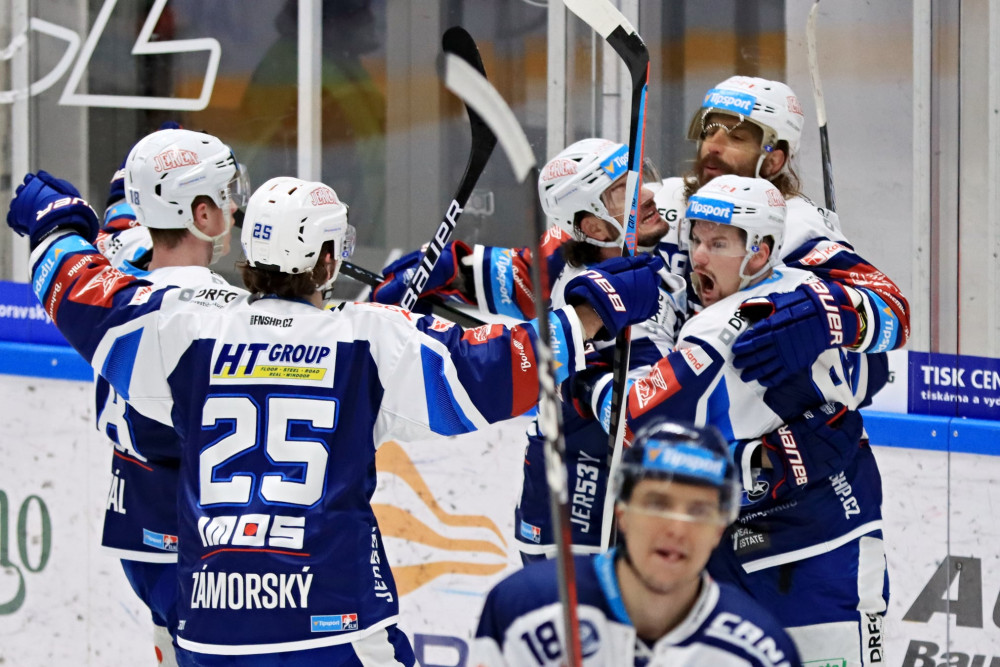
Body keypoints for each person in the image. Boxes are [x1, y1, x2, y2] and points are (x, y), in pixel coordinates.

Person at [6, 169, 663, 663]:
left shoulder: (183, 329)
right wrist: (591, 312)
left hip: (211, 626)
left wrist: (54, 229)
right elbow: (495, 369)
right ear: (327, 260)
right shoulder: (366, 339)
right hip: (330, 620)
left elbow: (79, 293)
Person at [574, 175, 889, 666]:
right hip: (814, 533)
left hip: (816, 556)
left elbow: (635, 420)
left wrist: (593, 375)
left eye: (718, 243)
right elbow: (875, 369)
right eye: (697, 239)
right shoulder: (815, 290)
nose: (699, 256)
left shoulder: (717, 327)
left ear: (760, 251)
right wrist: (763, 457)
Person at [374, 138, 686, 561]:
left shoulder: (629, 236)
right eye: (623, 191)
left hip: (645, 498)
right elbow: (640, 415)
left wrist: (455, 269)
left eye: (639, 180)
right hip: (574, 493)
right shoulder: (590, 291)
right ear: (595, 227)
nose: (647, 194)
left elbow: (517, 276)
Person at [91, 127, 249, 665]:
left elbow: (122, 221)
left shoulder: (117, 271)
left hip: (137, 525)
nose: (235, 205)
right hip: (191, 541)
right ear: (199, 213)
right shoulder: (217, 314)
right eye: (225, 194)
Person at [472, 419, 802, 667]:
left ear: (719, 529)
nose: (677, 528)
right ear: (622, 512)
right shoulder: (525, 607)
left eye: (699, 511)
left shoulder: (763, 653)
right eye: (657, 504)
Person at [657, 75, 909, 379]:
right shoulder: (659, 201)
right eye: (709, 132)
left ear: (773, 161)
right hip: (658, 386)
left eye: (736, 138)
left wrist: (823, 317)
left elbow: (894, 311)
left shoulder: (798, 227)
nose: (714, 146)